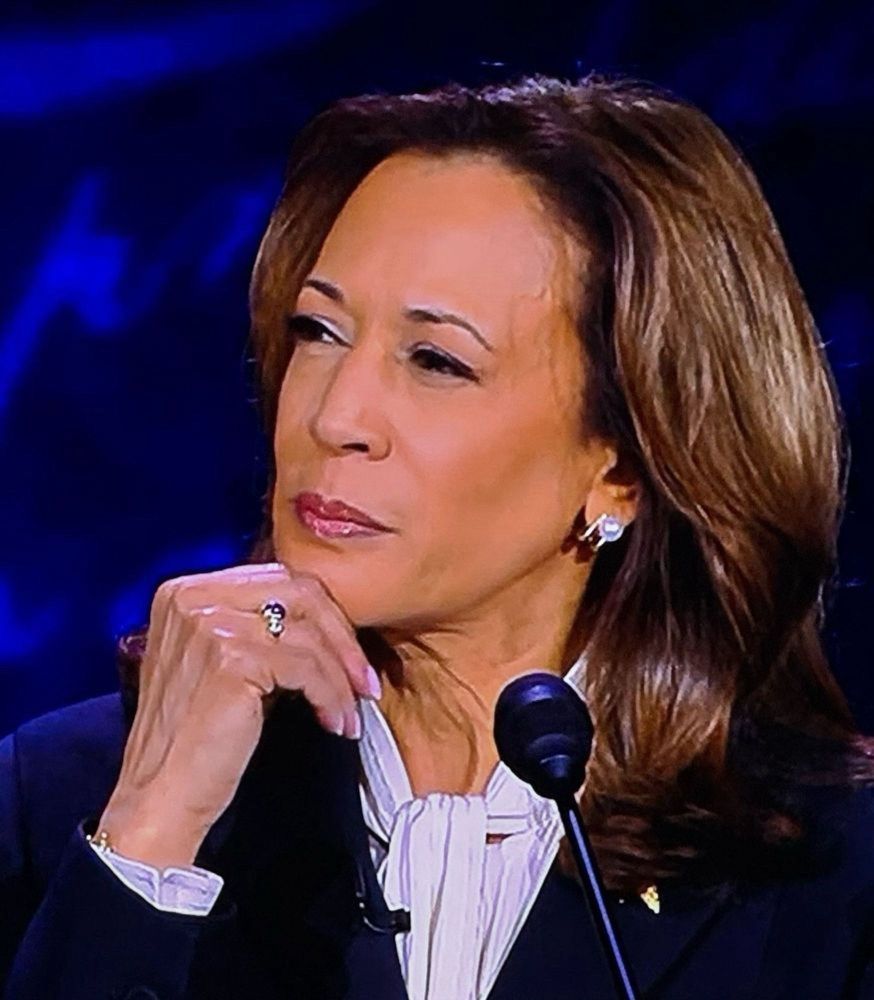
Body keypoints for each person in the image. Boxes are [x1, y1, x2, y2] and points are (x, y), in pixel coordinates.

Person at [1, 72, 873, 1000]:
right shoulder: (69, 798)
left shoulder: (830, 864)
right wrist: (148, 841)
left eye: (436, 361)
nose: (335, 416)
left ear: (622, 466)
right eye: (318, 331)